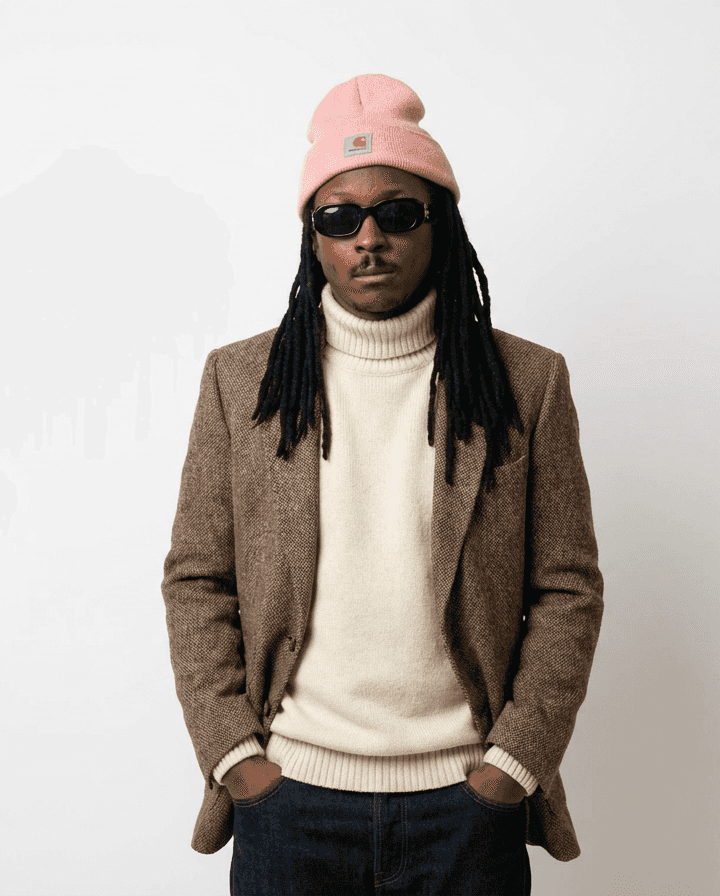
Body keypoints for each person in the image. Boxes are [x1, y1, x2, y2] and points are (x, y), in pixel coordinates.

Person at [161, 73, 604, 895]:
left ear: (441, 225)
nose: (369, 237)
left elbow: (567, 586)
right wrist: (235, 756)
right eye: (340, 217)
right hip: (288, 806)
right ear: (314, 237)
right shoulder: (243, 381)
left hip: (466, 810)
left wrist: (514, 764)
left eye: (397, 212)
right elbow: (196, 577)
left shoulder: (526, 382)